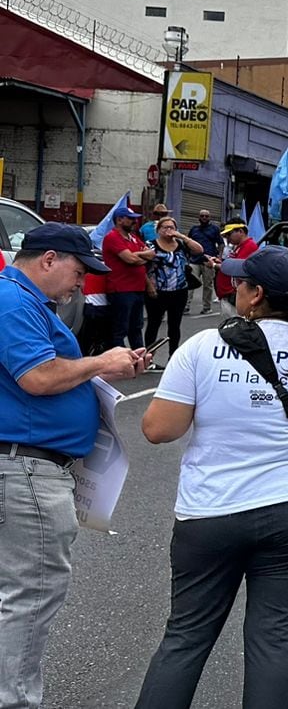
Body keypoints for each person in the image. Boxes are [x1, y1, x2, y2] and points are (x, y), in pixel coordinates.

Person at [134, 247, 288, 709]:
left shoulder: (203, 346)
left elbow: (158, 429)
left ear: (255, 295)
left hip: (211, 511)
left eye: (240, 282)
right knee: (275, 639)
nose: (234, 287)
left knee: (185, 636)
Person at [0, 224, 143, 709]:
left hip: (29, 465)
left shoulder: (25, 302)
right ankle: (16, 701)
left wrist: (103, 366)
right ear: (49, 260)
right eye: (79, 273)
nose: (82, 284)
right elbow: (38, 376)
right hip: (26, 468)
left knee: (19, 593)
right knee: (31, 596)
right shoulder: (15, 302)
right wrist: (100, 363)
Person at [142, 216, 207, 371]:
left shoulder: (181, 245)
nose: (168, 230)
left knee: (174, 325)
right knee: (153, 324)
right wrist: (149, 285)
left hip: (179, 291)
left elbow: (199, 250)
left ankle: (173, 357)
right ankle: (148, 358)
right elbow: (141, 266)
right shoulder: (151, 245)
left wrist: (182, 236)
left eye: (171, 227)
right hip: (157, 292)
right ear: (158, 230)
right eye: (165, 227)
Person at [103, 204, 154, 349]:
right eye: (130, 219)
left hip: (137, 289)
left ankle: (139, 360)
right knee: (120, 329)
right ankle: (118, 362)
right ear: (119, 220)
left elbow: (151, 254)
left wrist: (138, 255)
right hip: (121, 290)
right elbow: (130, 259)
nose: (134, 221)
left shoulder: (133, 238)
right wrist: (139, 257)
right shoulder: (112, 237)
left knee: (136, 327)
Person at [214, 219, 258, 311]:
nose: (227, 238)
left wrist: (215, 265)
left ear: (240, 231)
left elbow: (239, 269)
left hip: (234, 294)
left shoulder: (249, 246)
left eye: (229, 234)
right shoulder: (240, 246)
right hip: (230, 294)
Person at [187, 209, 223, 315]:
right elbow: (187, 242)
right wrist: (187, 255)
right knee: (190, 283)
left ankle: (206, 307)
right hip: (194, 260)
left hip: (208, 261)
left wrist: (219, 257)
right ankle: (186, 306)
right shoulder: (194, 229)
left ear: (209, 218)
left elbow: (221, 244)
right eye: (202, 216)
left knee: (208, 285)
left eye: (206, 216)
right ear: (198, 217)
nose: (204, 218)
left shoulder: (214, 229)